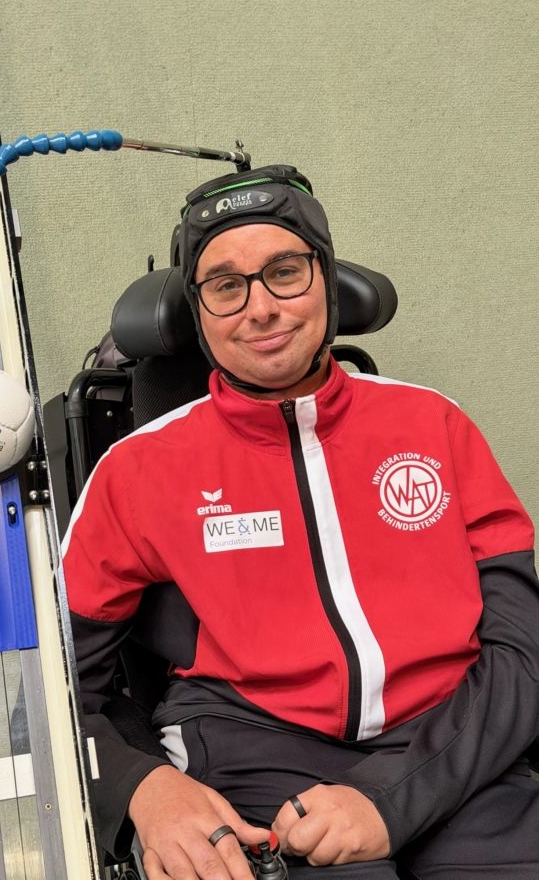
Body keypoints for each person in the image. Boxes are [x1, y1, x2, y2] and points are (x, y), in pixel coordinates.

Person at [62, 164, 539, 879]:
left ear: (325, 277)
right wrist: (142, 790)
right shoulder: (139, 470)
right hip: (253, 763)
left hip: (450, 747)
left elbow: (521, 653)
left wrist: (388, 801)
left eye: (284, 270)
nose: (259, 308)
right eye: (225, 286)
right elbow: (52, 693)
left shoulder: (433, 425)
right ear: (197, 310)